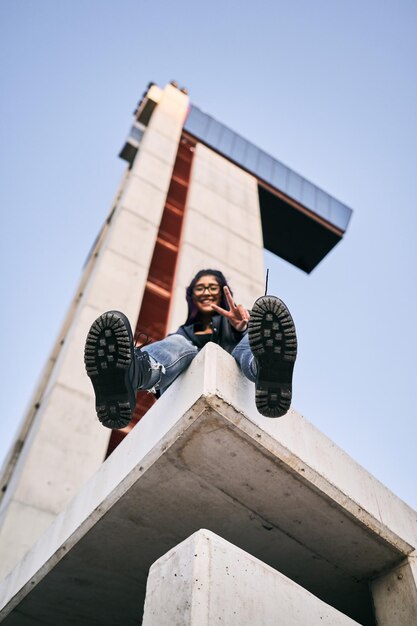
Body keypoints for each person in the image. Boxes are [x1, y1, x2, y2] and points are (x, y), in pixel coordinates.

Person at [84, 269, 297, 429]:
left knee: (254, 335)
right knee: (179, 343)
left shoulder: (240, 323)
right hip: (176, 385)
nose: (206, 292)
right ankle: (134, 372)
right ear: (192, 296)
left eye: (213, 287)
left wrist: (241, 326)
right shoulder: (183, 334)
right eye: (200, 288)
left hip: (244, 378)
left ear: (223, 294)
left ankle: (266, 372)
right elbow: (178, 351)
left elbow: (253, 332)